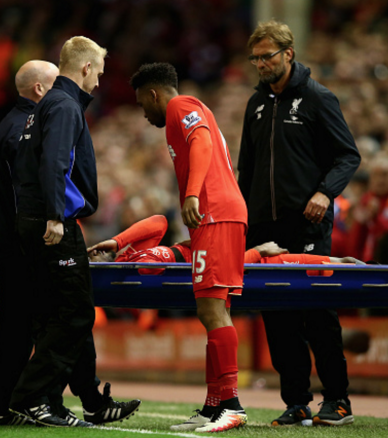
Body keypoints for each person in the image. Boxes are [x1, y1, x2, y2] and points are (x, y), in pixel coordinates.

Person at [10, 36, 140, 427]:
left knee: (60, 313)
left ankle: (82, 400)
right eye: (98, 73)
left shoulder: (45, 105)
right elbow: (54, 161)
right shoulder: (65, 105)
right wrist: (53, 216)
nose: (99, 82)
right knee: (76, 314)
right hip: (54, 224)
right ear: (85, 68)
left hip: (37, 220)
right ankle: (31, 396)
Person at [237, 20, 361, 427]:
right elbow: (247, 170)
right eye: (255, 58)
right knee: (278, 316)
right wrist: (242, 220)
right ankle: (296, 401)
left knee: (318, 311)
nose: (260, 64)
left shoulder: (317, 98)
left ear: (288, 53)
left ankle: (338, 400)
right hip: (265, 230)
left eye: (267, 56)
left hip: (307, 226)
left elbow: (348, 155)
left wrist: (325, 193)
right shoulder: (255, 105)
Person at [130, 62, 248, 433]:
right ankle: (214, 404)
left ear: (153, 94)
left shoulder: (181, 106)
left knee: (212, 309)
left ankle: (231, 404)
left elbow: (202, 142)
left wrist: (194, 193)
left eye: (142, 104)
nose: (144, 113)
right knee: (213, 308)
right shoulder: (190, 111)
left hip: (215, 212)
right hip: (219, 214)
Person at [0, 60, 59, 426]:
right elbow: (22, 196)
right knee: (21, 325)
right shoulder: (22, 128)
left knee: (14, 323)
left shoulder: (9, 124)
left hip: (6, 241)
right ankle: (13, 402)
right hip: (18, 244)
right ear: (40, 90)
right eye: (55, 84)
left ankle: (4, 403)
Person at [88, 215, 364, 269]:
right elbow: (149, 270)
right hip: (203, 265)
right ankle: (338, 263)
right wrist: (254, 252)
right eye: (91, 260)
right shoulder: (131, 268)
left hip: (197, 249)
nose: (94, 255)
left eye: (92, 253)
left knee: (267, 255)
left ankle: (338, 261)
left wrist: (115, 241)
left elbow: (160, 222)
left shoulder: (127, 254)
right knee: (264, 257)